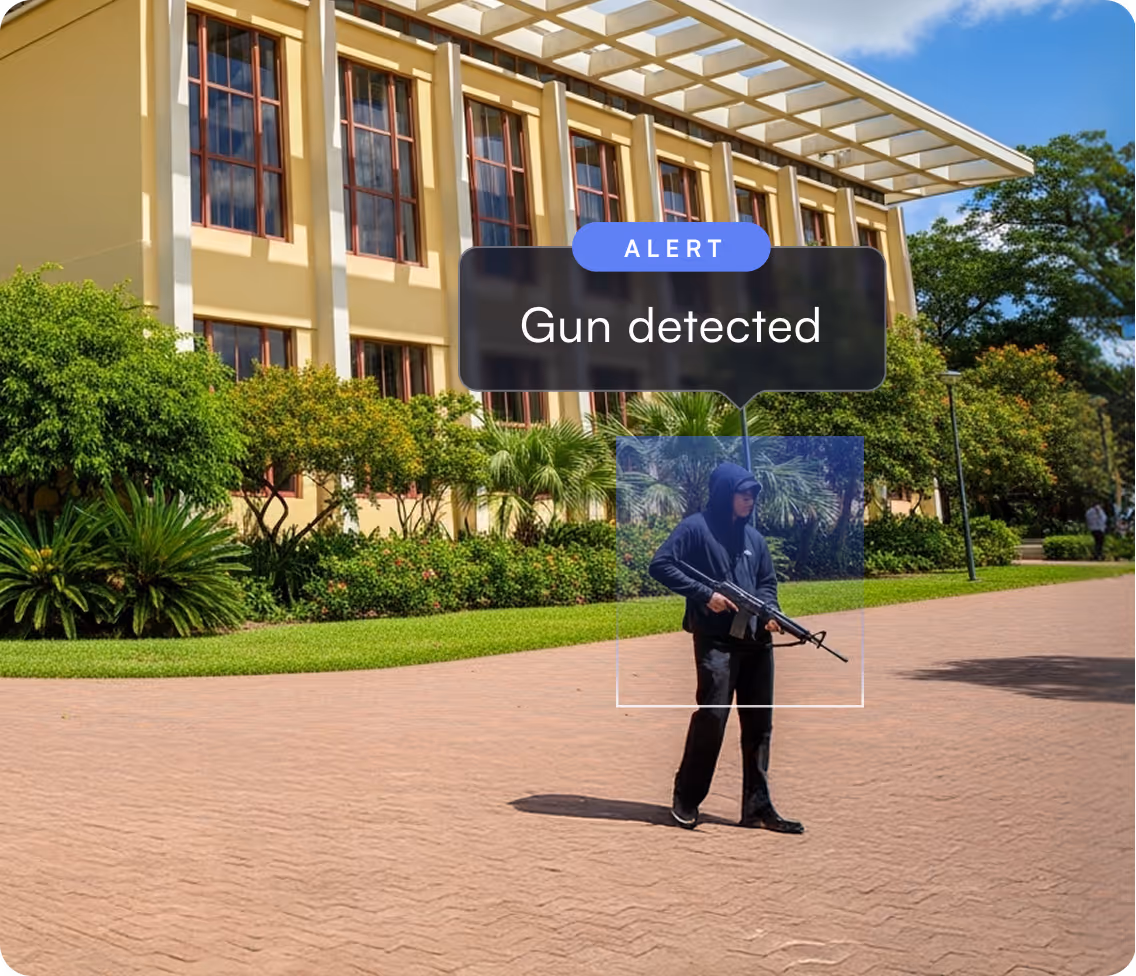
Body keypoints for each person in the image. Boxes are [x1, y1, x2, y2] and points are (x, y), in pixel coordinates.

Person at [648, 461, 803, 834]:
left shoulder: (755, 539)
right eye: (742, 494)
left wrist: (771, 614)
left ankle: (758, 807)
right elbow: (661, 564)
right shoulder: (696, 528)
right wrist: (707, 595)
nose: (749, 500)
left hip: (756, 644)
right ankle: (687, 797)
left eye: (753, 495)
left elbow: (767, 583)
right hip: (716, 641)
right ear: (724, 495)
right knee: (713, 717)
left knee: (759, 726)